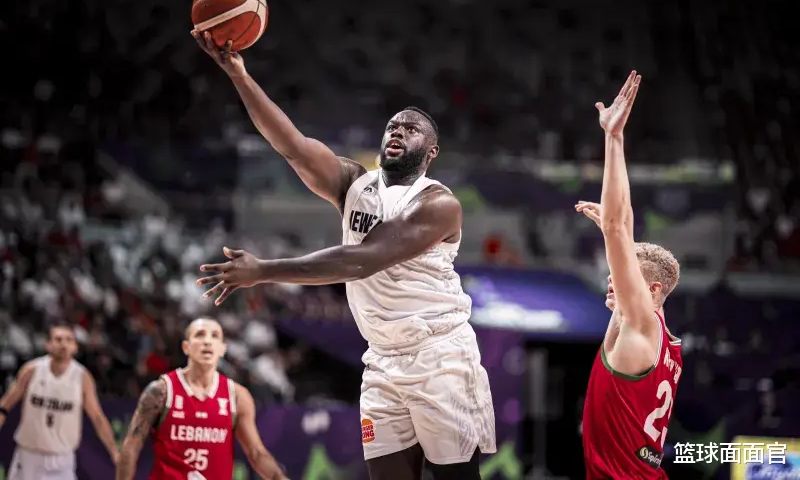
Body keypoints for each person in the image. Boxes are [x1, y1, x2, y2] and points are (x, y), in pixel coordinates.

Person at [192, 31, 495, 480]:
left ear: (430, 153)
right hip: (382, 360)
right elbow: (291, 145)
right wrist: (239, 75)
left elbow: (362, 259)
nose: (397, 131)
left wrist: (263, 270)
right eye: (392, 125)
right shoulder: (355, 183)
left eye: (411, 129)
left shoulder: (439, 204)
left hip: (440, 356)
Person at [575, 71, 683, 479]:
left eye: (624, 276)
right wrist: (618, 234)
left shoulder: (642, 323)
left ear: (652, 289)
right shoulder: (661, 341)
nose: (613, 278)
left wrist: (613, 137)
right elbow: (623, 230)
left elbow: (618, 226)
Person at [116, 318, 286, 480]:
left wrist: (280, 477)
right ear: (186, 347)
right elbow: (131, 446)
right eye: (200, 335)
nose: (207, 341)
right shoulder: (161, 391)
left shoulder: (237, 396)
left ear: (222, 349)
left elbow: (256, 453)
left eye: (214, 336)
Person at [0, 322, 119, 480]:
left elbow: (97, 418)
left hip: (62, 460)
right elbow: (5, 406)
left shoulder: (82, 377)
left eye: (69, 340)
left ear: (75, 347)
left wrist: (114, 452)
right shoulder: (31, 370)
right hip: (28, 456)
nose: (63, 344)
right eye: (58, 339)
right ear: (48, 345)